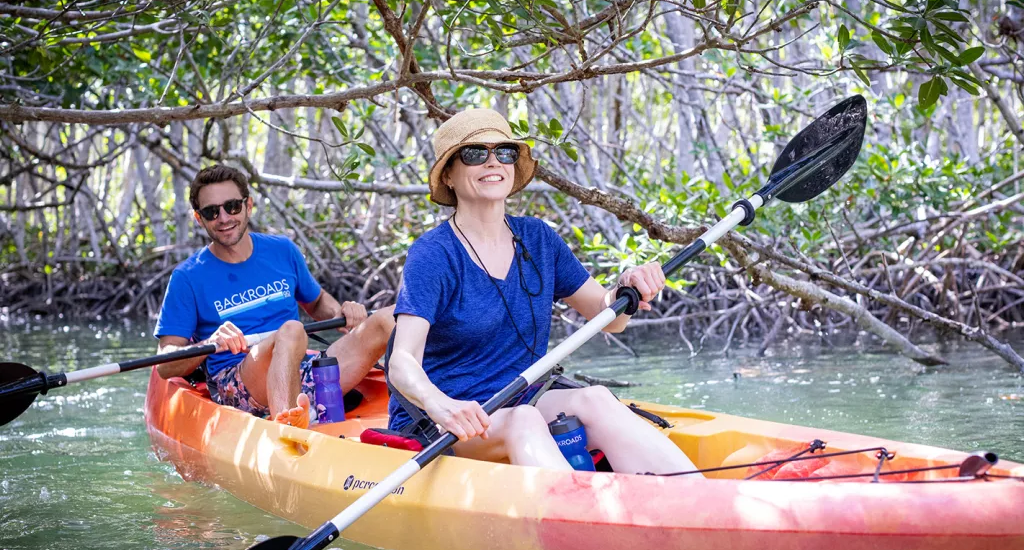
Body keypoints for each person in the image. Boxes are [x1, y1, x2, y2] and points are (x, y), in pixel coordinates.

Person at [386, 109, 703, 475]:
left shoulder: (537, 238)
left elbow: (607, 317)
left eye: (504, 152)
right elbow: (401, 362)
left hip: (522, 398)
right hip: (450, 420)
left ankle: (699, 497)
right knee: (523, 421)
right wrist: (439, 404)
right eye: (475, 154)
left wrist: (626, 287)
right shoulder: (433, 253)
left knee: (596, 399)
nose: (493, 162)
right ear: (449, 176)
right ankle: (577, 518)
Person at [154, 165, 395, 428]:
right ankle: (288, 432)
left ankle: (432, 413)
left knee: (389, 317)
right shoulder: (187, 277)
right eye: (212, 212)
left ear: (248, 205)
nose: (223, 218)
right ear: (199, 218)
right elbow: (165, 364)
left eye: (232, 206)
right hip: (240, 382)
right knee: (291, 330)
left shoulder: (282, 250)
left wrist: (344, 314)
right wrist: (209, 342)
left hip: (301, 369)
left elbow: (316, 302)